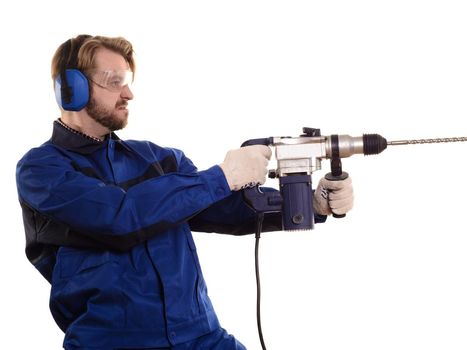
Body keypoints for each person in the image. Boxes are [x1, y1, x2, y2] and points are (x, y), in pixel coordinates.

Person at [15, 34, 354, 350]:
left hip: (201, 335)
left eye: (128, 82)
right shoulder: (41, 170)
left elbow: (222, 208)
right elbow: (118, 217)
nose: (128, 94)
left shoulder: (157, 158)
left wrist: (310, 204)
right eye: (114, 82)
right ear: (70, 89)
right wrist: (222, 176)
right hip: (111, 342)